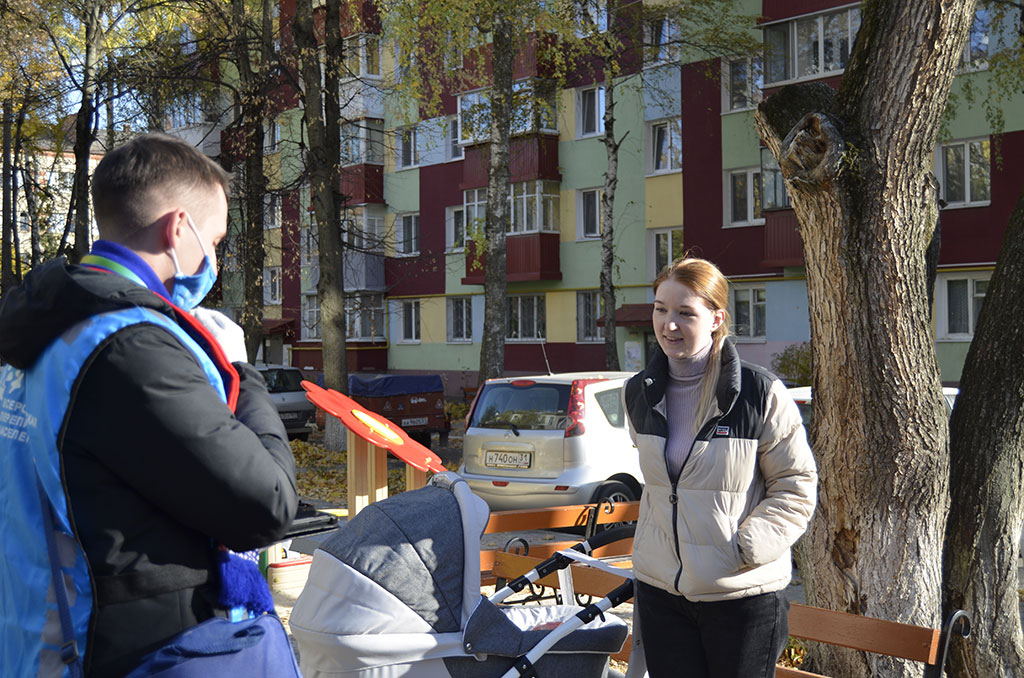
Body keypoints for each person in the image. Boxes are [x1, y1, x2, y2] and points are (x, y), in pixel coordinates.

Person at [0, 133, 299, 677]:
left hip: (42, 638)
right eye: (215, 239)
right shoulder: (130, 347)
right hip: (141, 650)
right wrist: (241, 371)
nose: (214, 256)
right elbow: (266, 504)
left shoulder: (42, 327)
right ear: (178, 229)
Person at [623, 257, 817, 678]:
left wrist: (746, 548)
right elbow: (661, 490)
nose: (668, 325)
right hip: (662, 595)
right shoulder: (637, 393)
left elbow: (796, 486)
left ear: (716, 318)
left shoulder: (759, 393)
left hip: (740, 598)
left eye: (685, 313)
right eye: (660, 309)